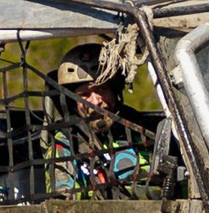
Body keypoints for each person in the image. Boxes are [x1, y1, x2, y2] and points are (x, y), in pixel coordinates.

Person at [49, 43, 160, 197]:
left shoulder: (141, 131)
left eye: (101, 89)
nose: (95, 102)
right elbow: (62, 201)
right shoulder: (67, 141)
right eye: (84, 95)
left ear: (115, 92)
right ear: (73, 103)